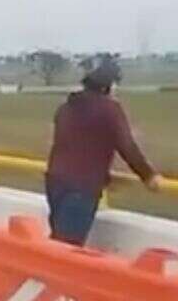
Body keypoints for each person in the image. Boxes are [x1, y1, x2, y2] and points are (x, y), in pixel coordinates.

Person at [45, 59, 161, 245]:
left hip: (55, 181)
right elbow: (127, 146)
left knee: (58, 241)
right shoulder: (110, 110)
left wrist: (103, 178)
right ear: (109, 86)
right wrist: (148, 176)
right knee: (67, 247)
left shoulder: (66, 108)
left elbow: (75, 147)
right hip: (81, 187)